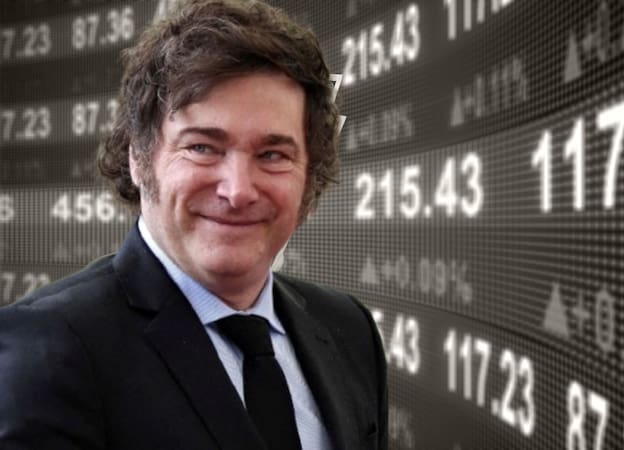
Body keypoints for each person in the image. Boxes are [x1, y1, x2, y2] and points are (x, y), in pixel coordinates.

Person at [0, 1, 387, 449]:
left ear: (308, 172)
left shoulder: (350, 329)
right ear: (139, 156)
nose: (238, 190)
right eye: (202, 147)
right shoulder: (47, 349)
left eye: (273, 155)